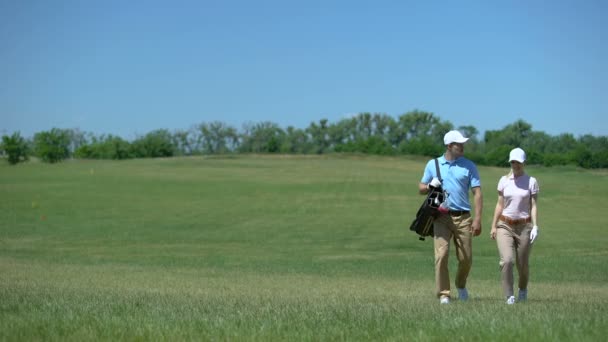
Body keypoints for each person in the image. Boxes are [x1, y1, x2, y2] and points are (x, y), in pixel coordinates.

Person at [418, 130, 483, 304]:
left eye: (462, 143)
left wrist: (477, 219)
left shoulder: (469, 166)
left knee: (466, 258)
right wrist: (430, 185)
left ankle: (460, 285)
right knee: (442, 254)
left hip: (463, 217)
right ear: (449, 146)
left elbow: (477, 193)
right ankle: (444, 294)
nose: (462, 146)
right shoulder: (433, 164)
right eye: (458, 144)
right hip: (441, 217)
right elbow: (421, 188)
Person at [490, 147, 539, 304]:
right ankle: (509, 295)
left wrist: (535, 226)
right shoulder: (503, 181)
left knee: (522, 264)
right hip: (504, 225)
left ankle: (522, 289)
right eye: (513, 162)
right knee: (507, 260)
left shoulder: (531, 181)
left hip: (524, 226)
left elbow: (534, 206)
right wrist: (493, 226)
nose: (515, 165)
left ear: (523, 162)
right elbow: (499, 205)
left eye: (518, 162)